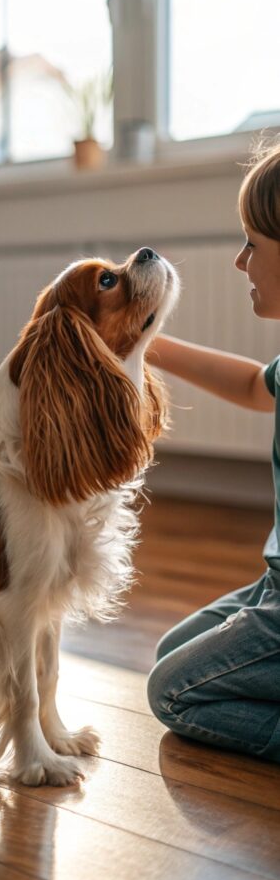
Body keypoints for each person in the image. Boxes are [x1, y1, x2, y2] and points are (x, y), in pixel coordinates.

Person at [146, 140, 280, 763]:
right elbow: (256, 387)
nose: (239, 260)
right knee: (171, 652)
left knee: (173, 694)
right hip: (272, 585)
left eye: (253, 243)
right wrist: (151, 345)